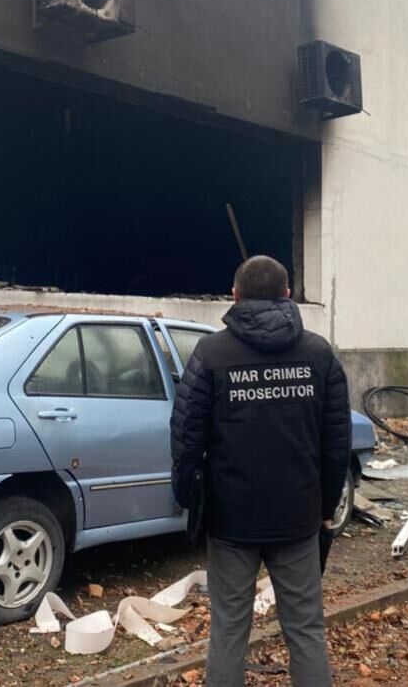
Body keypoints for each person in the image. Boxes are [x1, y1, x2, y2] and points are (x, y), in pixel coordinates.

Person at [170, 255, 351, 687]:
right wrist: (325, 507)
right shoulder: (318, 354)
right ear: (287, 296)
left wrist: (188, 500)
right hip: (299, 518)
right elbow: (336, 444)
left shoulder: (211, 355)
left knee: (229, 631)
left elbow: (185, 438)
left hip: (232, 521)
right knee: (306, 630)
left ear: (234, 295)